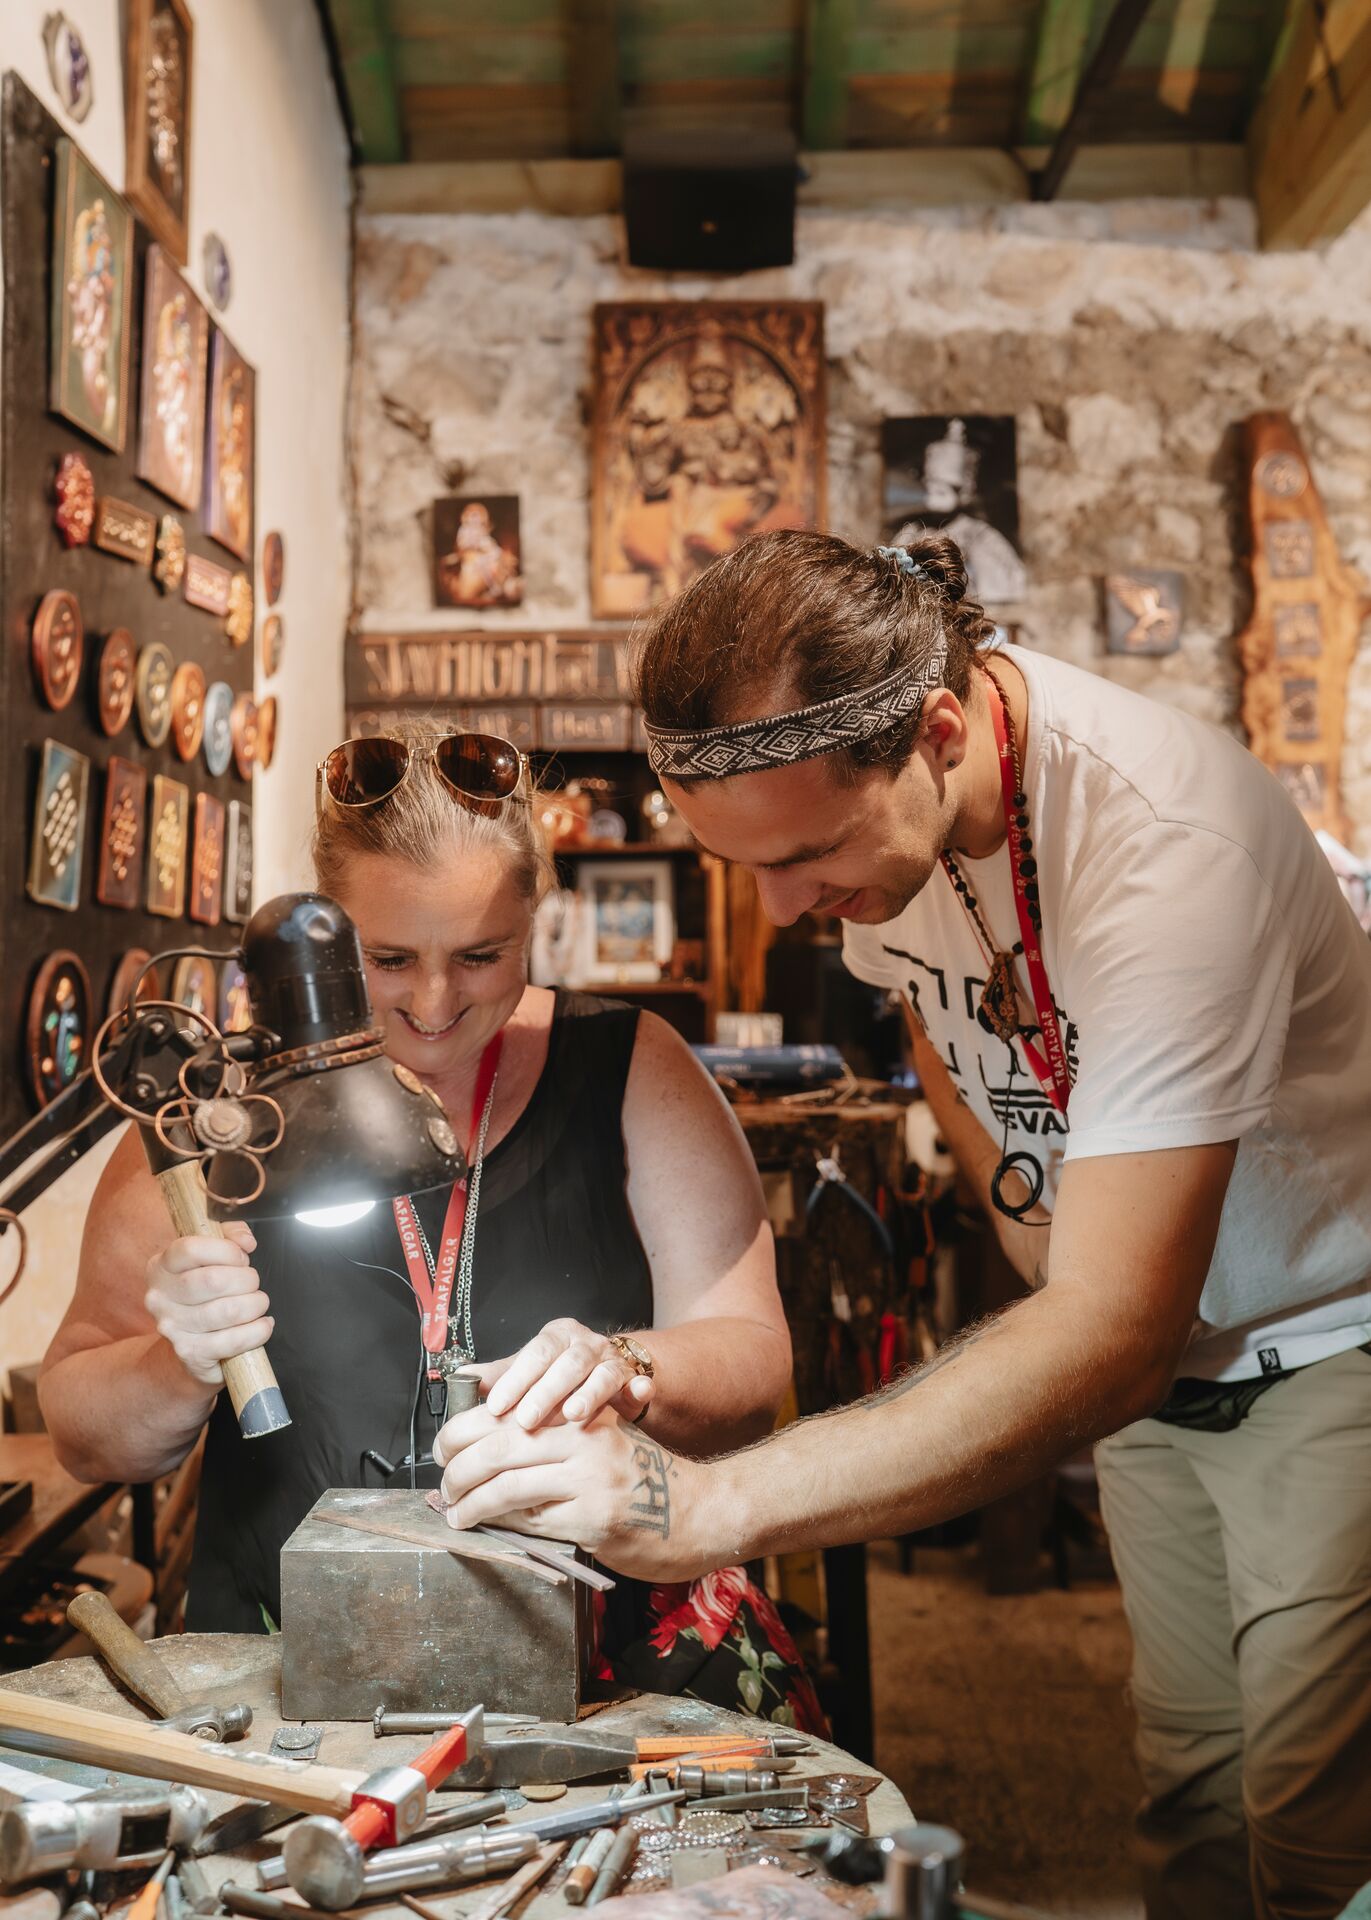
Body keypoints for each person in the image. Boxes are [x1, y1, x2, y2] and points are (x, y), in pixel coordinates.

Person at [431, 532, 1371, 1920]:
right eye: (738, 866)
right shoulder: (891, 836)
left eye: (805, 855)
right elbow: (934, 1021)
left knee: (1309, 1827)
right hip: (1168, 1383)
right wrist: (1029, 1208)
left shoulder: (1166, 850)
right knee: (1188, 1791)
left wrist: (705, 1504)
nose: (782, 909)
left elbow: (1110, 1337)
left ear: (935, 732)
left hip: (1320, 1340)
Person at [40, 724, 815, 1725]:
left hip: (608, 1669)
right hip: (289, 1679)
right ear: (321, 937)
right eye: (389, 958)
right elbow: (82, 1435)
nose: (435, 1003)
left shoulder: (632, 1070)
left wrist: (627, 1367)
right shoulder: (214, 1117)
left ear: (536, 915)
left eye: (482, 955)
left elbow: (754, 1369)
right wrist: (182, 1362)